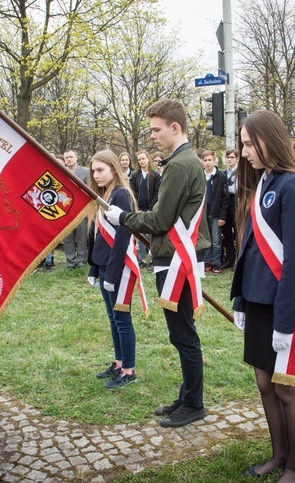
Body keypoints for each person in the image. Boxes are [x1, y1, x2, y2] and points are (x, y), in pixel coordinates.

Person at [104, 99, 209, 429]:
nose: (153, 136)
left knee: (183, 335)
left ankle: (193, 403)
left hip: (176, 259)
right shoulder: (184, 160)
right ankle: (187, 395)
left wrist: (124, 217)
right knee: (182, 334)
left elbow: (162, 218)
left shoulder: (179, 165)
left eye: (156, 129)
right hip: (177, 256)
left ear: (174, 128)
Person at [230, 110, 295, 483]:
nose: (244, 151)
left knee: (286, 389)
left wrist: (283, 323)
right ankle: (278, 454)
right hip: (258, 300)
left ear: (269, 139)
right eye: (243, 144)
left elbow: (294, 261)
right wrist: (240, 300)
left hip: (285, 306)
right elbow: (249, 247)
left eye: (249, 143)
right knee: (265, 384)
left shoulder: (294, 187)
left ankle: (294, 467)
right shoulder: (264, 181)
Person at [88, 150, 146, 389]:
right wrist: (94, 268)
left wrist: (111, 274)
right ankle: (119, 362)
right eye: (93, 171)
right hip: (104, 266)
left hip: (118, 268)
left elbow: (122, 238)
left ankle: (128, 370)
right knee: (113, 318)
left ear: (114, 169)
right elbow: (97, 236)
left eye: (100, 170)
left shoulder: (121, 194)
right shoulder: (104, 194)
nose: (96, 175)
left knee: (122, 318)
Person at [129, 149, 161, 266]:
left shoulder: (155, 175)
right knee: (141, 235)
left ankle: (153, 259)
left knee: (152, 235)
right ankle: (142, 259)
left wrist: (151, 208)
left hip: (151, 210)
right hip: (139, 209)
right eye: (139, 160)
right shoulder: (135, 176)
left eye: (143, 158)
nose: (141, 161)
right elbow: (132, 192)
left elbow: (158, 193)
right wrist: (136, 207)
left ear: (148, 158)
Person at [201, 149, 229, 274]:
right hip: (203, 213)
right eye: (205, 160)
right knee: (206, 239)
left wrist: (222, 216)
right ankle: (207, 261)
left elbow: (225, 198)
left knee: (216, 240)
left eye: (209, 160)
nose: (207, 163)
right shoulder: (200, 175)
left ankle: (216, 263)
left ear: (214, 160)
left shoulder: (220, 176)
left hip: (216, 213)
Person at [62, 149, 90, 268]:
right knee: (68, 238)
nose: (69, 159)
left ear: (76, 158)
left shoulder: (86, 172)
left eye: (71, 157)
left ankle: (81, 261)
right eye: (67, 158)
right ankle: (71, 261)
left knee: (82, 236)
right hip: (65, 210)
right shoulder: (61, 172)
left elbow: (90, 192)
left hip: (81, 210)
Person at [221, 148, 239, 270]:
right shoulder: (223, 173)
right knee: (226, 232)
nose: (229, 159)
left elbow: (237, 189)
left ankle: (238, 259)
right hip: (225, 204)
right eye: (228, 157)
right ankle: (230, 259)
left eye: (232, 157)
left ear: (237, 159)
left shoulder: (240, 172)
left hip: (236, 203)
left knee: (238, 232)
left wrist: (225, 189)